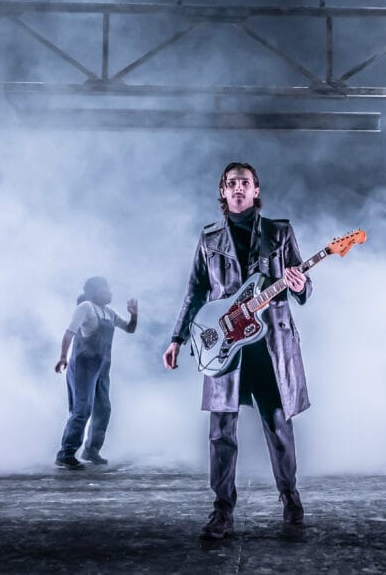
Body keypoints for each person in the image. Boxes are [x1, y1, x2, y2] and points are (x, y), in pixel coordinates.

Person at [162, 162, 312, 539]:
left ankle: (290, 497)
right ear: (223, 193)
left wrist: (298, 283)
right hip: (223, 344)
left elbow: (303, 289)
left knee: (278, 425)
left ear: (256, 190)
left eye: (245, 182)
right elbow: (196, 290)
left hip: (269, 344)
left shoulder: (280, 232)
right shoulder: (209, 237)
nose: (238, 188)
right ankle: (222, 510)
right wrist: (177, 338)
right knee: (221, 431)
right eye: (231, 184)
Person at [54, 277, 137, 469]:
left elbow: (130, 329)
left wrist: (134, 315)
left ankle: (92, 450)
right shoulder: (86, 307)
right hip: (83, 366)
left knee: (104, 409)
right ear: (94, 291)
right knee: (82, 410)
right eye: (105, 288)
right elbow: (69, 333)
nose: (110, 292)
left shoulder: (109, 312)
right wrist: (63, 357)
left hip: (101, 368)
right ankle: (65, 454)